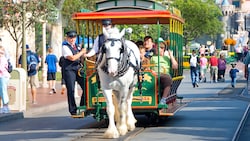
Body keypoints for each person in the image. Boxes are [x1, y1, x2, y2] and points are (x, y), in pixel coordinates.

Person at [62, 30, 86, 116]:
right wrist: (81, 53)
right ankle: (73, 109)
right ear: (67, 38)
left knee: (86, 85)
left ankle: (83, 104)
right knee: (71, 89)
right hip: (69, 69)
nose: (72, 39)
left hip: (77, 68)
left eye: (74, 38)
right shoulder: (65, 47)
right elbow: (72, 58)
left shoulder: (77, 46)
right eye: (70, 38)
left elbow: (81, 57)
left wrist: (84, 54)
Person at [0, 46, 11, 113]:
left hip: (3, 76)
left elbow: (1, 68)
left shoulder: (2, 59)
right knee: (2, 91)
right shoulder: (3, 58)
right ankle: (5, 106)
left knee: (3, 91)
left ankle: (5, 106)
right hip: (3, 76)